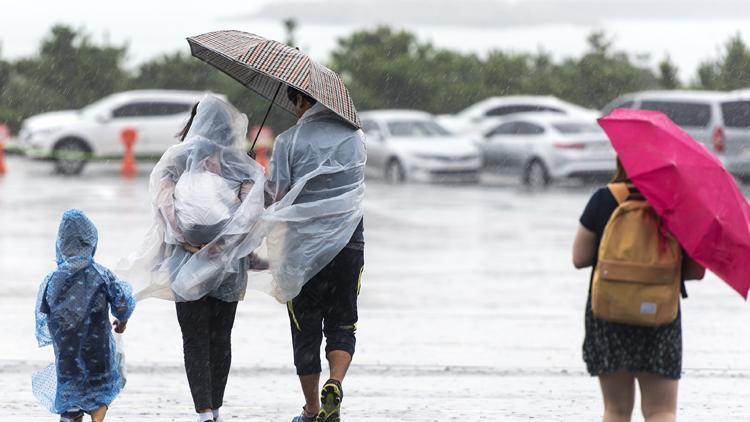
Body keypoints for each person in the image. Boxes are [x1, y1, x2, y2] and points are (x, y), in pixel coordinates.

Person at [122, 95, 266, 422]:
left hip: (184, 264)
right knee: (221, 339)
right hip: (228, 267)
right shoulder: (240, 163)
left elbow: (164, 208)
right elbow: (251, 214)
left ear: (193, 123)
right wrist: (220, 244)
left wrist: (186, 240)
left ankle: (203, 413)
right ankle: (215, 408)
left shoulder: (175, 160)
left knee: (195, 340)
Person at [572, 159, 705, 422]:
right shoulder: (678, 204)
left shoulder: (604, 199)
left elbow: (579, 257)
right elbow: (695, 272)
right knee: (661, 411)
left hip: (608, 313)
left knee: (616, 410)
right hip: (660, 314)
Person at [265, 86, 365, 422]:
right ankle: (335, 382)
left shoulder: (288, 141)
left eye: (294, 102)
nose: (294, 109)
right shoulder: (355, 138)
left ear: (304, 100)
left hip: (301, 252)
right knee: (342, 322)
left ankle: (311, 409)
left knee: (304, 327)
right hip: (348, 245)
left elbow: (275, 197)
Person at [33, 209, 136, 422]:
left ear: (61, 244)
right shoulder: (102, 274)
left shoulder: (53, 279)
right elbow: (123, 303)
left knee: (70, 392)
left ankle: (72, 416)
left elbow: (43, 311)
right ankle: (97, 418)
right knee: (100, 389)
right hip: (98, 348)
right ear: (91, 241)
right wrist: (122, 322)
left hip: (67, 351)